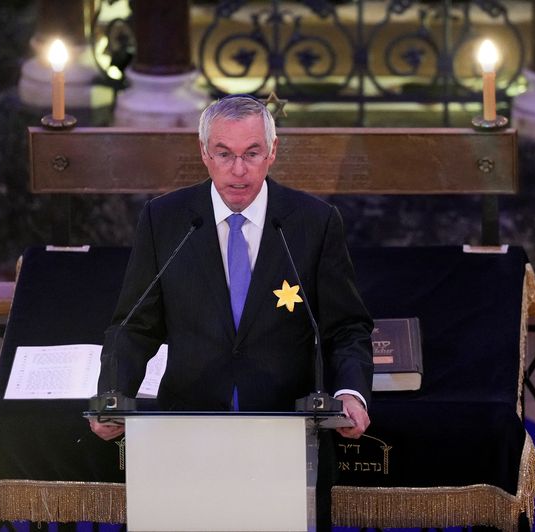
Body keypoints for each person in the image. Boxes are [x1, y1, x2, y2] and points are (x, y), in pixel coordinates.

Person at [90, 95, 374, 528]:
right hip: (185, 433)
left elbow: (346, 327)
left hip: (290, 434)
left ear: (272, 151)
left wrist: (351, 393)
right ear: (204, 153)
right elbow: (134, 326)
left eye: (252, 153)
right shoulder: (164, 220)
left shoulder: (313, 222)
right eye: (224, 154)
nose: (238, 170)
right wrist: (112, 393)